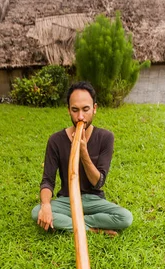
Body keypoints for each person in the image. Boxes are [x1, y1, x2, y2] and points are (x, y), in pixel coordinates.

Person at [31, 81, 133, 236]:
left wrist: (84, 153)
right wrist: (45, 205)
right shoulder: (55, 140)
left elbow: (98, 182)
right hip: (67, 200)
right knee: (36, 212)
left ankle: (73, 223)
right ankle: (92, 229)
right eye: (75, 110)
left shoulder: (105, 137)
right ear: (68, 111)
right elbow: (47, 181)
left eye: (85, 109)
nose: (80, 117)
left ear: (94, 109)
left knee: (125, 217)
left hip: (94, 200)